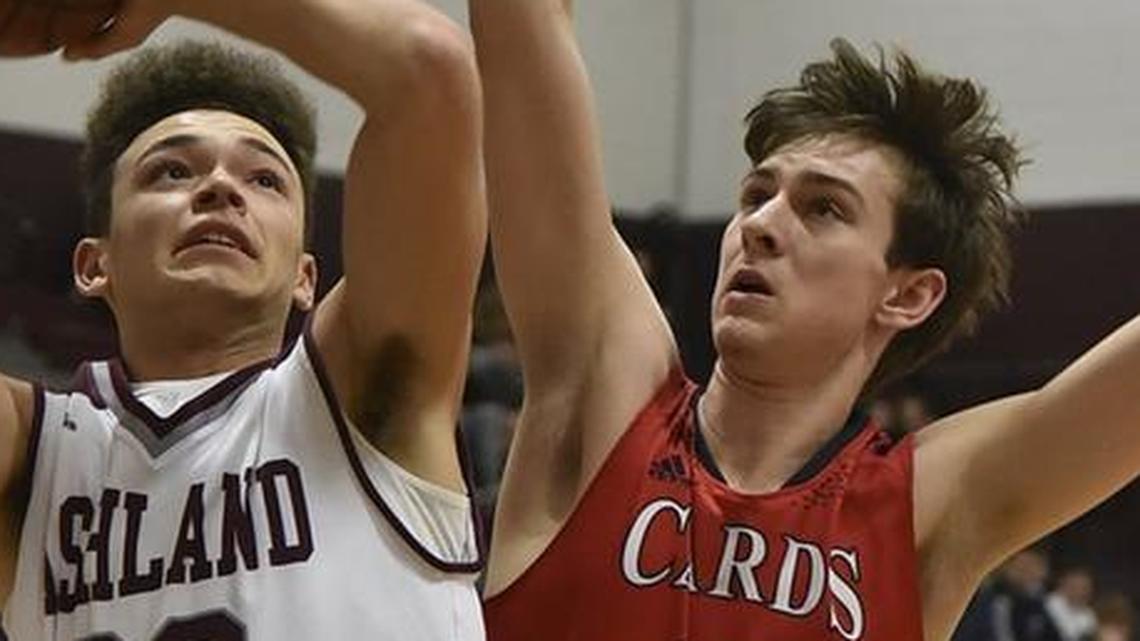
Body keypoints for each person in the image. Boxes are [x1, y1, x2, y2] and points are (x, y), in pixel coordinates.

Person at [467, 1, 1140, 640]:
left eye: (824, 208)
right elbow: (520, 26)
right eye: (756, 195)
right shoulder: (609, 399)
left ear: (908, 295)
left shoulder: (920, 507)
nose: (758, 225)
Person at [0, 0, 487, 638]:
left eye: (263, 179)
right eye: (171, 171)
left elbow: (429, 70)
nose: (220, 189)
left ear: (306, 278)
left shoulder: (358, 395)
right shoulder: (30, 452)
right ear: (96, 264)